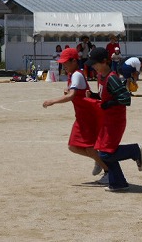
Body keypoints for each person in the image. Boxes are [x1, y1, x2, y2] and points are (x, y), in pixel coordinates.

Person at [42, 48, 109, 184]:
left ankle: (108, 171)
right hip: (81, 117)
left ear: (74, 61)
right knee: (73, 146)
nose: (64, 65)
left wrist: (52, 101)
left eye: (66, 62)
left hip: (88, 116)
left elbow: (72, 96)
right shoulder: (73, 74)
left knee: (89, 147)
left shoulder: (77, 74)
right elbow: (73, 92)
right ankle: (98, 160)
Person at [85, 47, 142, 192]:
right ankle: (118, 182)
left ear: (105, 62)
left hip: (115, 121)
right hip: (106, 120)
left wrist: (108, 104)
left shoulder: (112, 78)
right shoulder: (101, 77)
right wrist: (93, 96)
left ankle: (134, 151)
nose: (93, 66)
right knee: (103, 150)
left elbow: (125, 98)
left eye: (95, 63)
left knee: (106, 153)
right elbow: (104, 96)